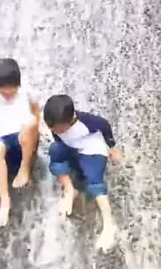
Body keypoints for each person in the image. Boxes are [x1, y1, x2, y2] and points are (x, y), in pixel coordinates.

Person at [43, 94, 119, 251]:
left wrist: (112, 147)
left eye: (56, 128)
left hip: (92, 151)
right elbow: (59, 142)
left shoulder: (87, 122)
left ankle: (109, 224)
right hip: (74, 151)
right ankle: (70, 190)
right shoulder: (55, 124)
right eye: (50, 126)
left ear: (71, 120)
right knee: (55, 149)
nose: (52, 130)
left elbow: (105, 125)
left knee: (93, 180)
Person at [0, 58, 39, 227]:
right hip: (4, 141)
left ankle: (24, 169)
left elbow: (35, 110)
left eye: (13, 91)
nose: (9, 94)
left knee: (30, 122)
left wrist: (37, 128)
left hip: (25, 138)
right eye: (4, 93)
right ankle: (5, 202)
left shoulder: (26, 89)